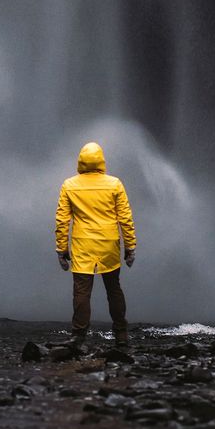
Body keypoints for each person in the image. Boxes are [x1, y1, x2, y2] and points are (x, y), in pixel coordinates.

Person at [54, 142, 137, 347]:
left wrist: (61, 249)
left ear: (80, 161)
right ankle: (121, 334)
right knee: (113, 289)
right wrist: (130, 247)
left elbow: (62, 220)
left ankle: (78, 336)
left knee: (81, 291)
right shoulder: (115, 184)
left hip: (83, 245)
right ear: (102, 161)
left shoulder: (69, 185)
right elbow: (125, 218)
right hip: (109, 244)